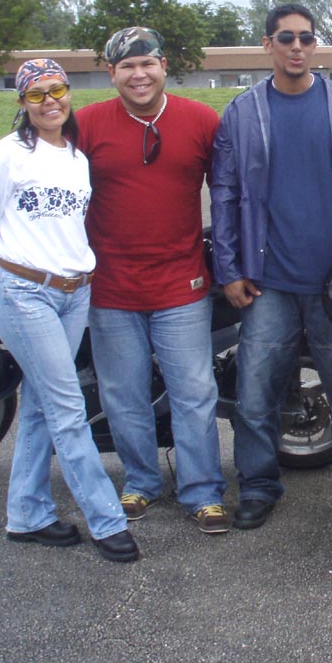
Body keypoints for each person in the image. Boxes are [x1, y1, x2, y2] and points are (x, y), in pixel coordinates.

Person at [210, 3, 332, 529]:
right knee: (255, 395)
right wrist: (230, 269)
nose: (297, 47)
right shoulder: (243, 112)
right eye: (286, 38)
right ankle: (258, 486)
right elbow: (224, 193)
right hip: (268, 283)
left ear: (315, 45)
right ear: (267, 44)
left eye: (306, 38)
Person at [0, 59, 137, 563]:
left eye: (57, 90)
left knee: (39, 404)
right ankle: (107, 520)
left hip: (74, 292)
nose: (50, 101)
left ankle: (27, 514)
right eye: (37, 95)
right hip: (22, 291)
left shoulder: (76, 158)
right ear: (22, 102)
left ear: (68, 92)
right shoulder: (4, 156)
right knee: (68, 407)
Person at [77, 27, 230, 535]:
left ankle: (202, 491)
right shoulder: (86, 125)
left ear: (164, 66)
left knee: (194, 392)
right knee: (123, 395)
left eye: (147, 63)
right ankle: (140, 480)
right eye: (127, 66)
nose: (138, 74)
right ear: (111, 73)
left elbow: (230, 194)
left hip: (181, 285)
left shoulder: (201, 120)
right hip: (111, 289)